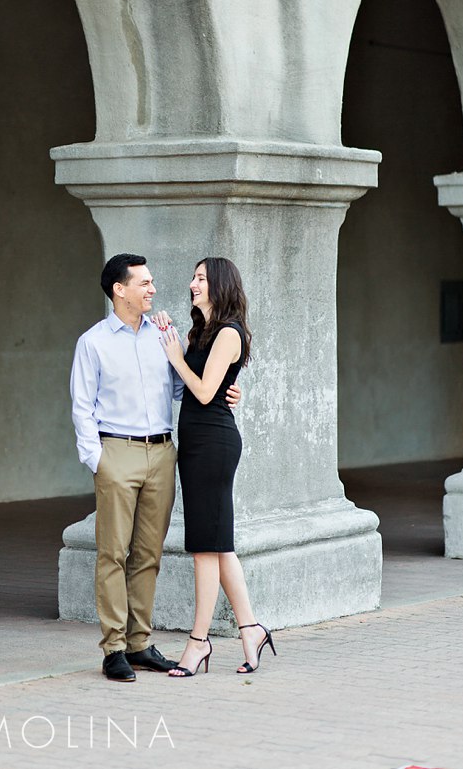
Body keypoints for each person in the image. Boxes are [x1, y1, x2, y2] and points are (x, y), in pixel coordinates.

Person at [70, 253, 242, 682]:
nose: (152, 289)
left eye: (151, 282)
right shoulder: (93, 342)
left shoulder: (162, 335)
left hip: (163, 453)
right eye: (143, 283)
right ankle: (113, 649)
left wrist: (229, 392)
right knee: (112, 553)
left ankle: (139, 643)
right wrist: (98, 460)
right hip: (117, 454)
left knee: (148, 554)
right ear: (119, 290)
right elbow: (81, 408)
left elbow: (190, 387)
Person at [156, 257, 275, 677]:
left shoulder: (228, 332)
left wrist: (176, 357)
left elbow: (205, 391)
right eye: (193, 277)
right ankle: (251, 629)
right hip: (198, 443)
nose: (192, 284)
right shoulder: (205, 331)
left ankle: (198, 643)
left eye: (201, 278)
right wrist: (173, 340)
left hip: (214, 443)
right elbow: (209, 384)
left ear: (219, 285)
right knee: (218, 544)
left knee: (204, 547)